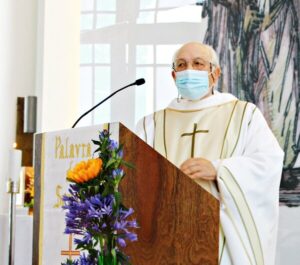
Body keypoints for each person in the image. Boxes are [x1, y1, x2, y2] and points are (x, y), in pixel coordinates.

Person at [136, 42, 284, 265]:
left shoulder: (244, 115)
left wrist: (220, 169)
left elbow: (268, 162)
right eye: (182, 65)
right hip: (167, 234)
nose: (189, 70)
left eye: (198, 64)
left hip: (220, 236)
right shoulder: (151, 124)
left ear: (215, 74)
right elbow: (135, 175)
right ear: (174, 76)